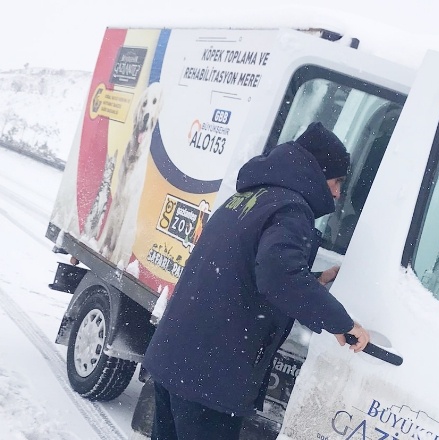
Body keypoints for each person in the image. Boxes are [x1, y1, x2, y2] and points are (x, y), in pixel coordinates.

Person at [142, 122, 371, 440]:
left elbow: (245, 268)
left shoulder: (252, 197)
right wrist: (341, 323)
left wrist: (313, 281)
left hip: (177, 358)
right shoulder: (292, 209)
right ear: (318, 172)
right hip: (210, 377)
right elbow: (278, 276)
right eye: (337, 181)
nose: (336, 193)